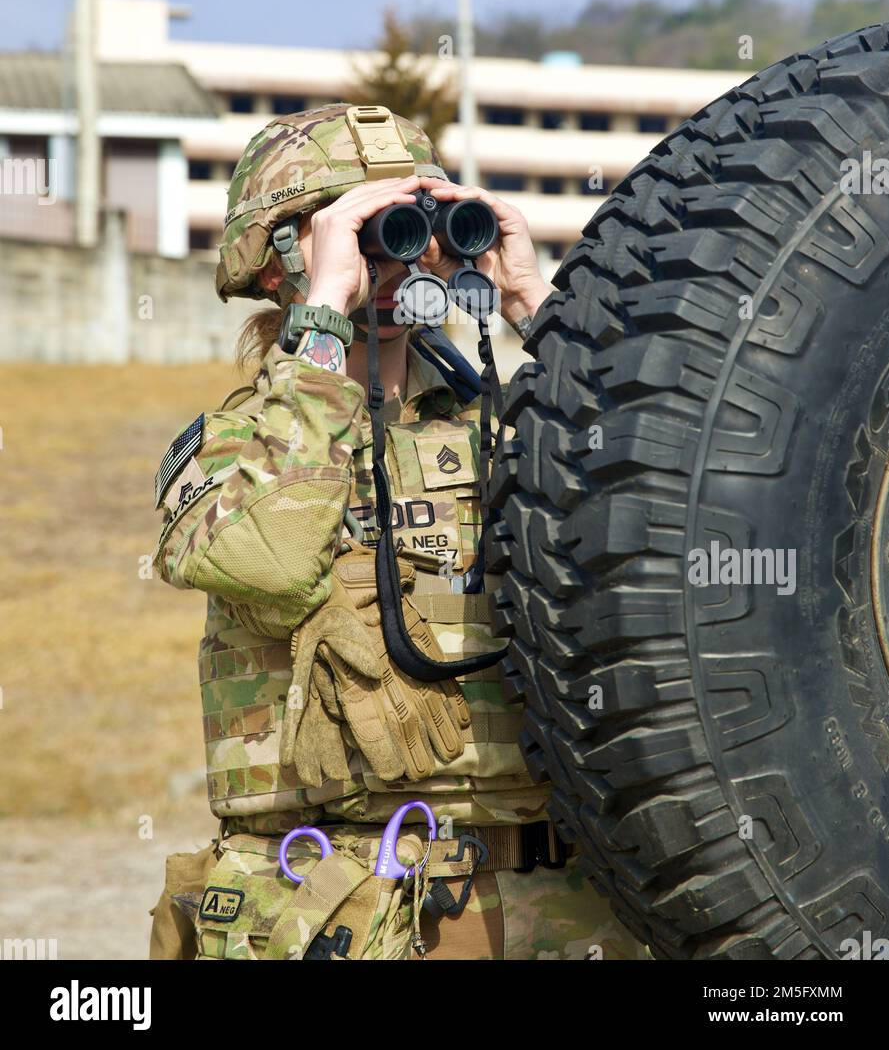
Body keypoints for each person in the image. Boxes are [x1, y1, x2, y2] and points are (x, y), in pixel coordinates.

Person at [148, 102, 648, 961]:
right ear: (273, 265)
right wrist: (326, 315)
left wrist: (539, 304)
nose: (398, 254)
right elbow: (263, 556)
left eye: (413, 225)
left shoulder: (519, 431)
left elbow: (677, 490)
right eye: (361, 228)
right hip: (353, 902)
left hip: (571, 906)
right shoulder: (237, 448)